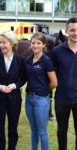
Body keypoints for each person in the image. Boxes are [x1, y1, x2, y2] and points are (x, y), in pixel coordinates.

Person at [0, 30, 26, 150]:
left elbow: (24, 78)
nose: (1, 45)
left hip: (14, 99)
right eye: (0, 43)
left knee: (13, 128)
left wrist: (15, 85)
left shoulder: (20, 60)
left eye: (4, 42)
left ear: (12, 44)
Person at [25, 32, 58, 150]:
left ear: (43, 45)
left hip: (41, 100)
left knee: (42, 132)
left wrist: (44, 89)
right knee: (33, 131)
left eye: (38, 43)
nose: (35, 46)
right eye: (33, 43)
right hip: (28, 99)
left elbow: (54, 83)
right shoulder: (28, 60)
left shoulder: (47, 61)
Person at [51, 17, 77, 150]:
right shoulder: (57, 51)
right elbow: (52, 74)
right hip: (61, 99)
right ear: (66, 31)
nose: (75, 33)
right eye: (72, 30)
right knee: (61, 131)